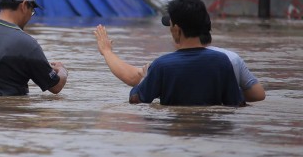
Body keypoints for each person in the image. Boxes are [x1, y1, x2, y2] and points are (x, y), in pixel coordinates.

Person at [95, 23, 266, 102]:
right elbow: (258, 95)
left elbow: (133, 82)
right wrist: (221, 93)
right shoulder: (231, 59)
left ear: (177, 32)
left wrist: (107, 52)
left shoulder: (167, 64)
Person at [127, 0, 243, 105]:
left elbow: (136, 99)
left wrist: (144, 78)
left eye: (170, 25)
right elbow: (237, 103)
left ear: (177, 30)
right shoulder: (222, 61)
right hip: (210, 125)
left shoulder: (161, 65)